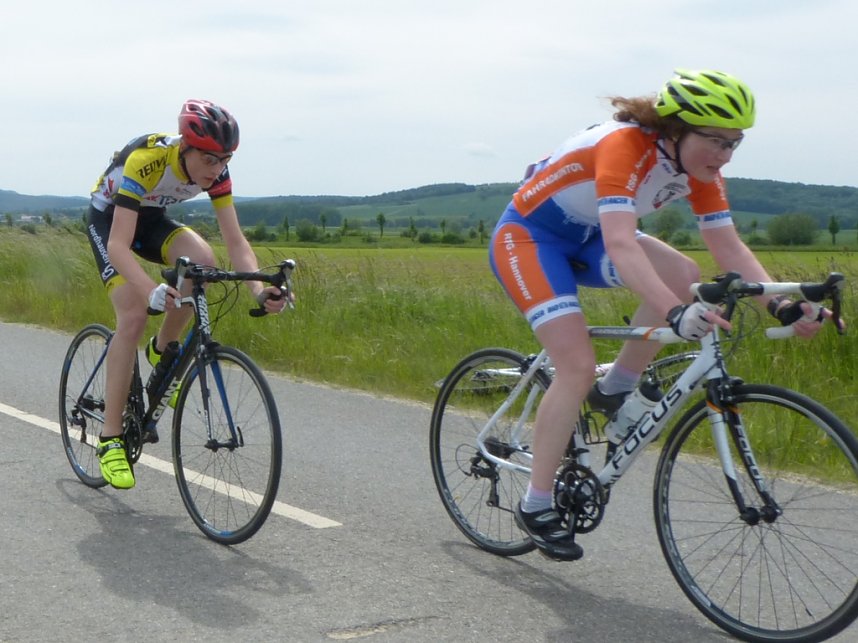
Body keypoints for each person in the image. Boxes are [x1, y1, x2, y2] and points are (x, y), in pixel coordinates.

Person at [488, 69, 836, 561]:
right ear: (676, 129)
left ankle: (615, 391)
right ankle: (537, 503)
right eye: (716, 141)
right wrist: (676, 313)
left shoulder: (703, 170)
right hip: (529, 239)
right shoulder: (624, 146)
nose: (725, 156)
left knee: (684, 270)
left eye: (735, 144)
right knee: (575, 365)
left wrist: (781, 302)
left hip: (587, 238)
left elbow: (726, 245)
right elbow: (621, 243)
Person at [86, 99, 288, 490]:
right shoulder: (146, 162)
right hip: (110, 222)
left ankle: (162, 353)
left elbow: (235, 241)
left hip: (153, 221)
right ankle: (110, 438)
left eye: (225, 159)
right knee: (132, 313)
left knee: (203, 264)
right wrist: (151, 290)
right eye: (210, 160)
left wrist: (259, 291)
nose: (218, 169)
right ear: (186, 149)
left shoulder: (218, 174)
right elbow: (118, 246)